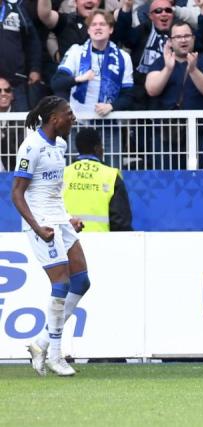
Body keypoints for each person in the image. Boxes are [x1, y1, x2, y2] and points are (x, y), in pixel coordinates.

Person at [12, 96, 89, 377]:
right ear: (54, 118)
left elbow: (53, 190)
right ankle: (55, 356)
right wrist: (36, 227)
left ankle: (41, 343)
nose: (73, 118)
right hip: (41, 223)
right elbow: (17, 193)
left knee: (82, 281)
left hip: (59, 220)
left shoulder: (61, 145)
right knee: (61, 283)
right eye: (69, 114)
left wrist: (68, 218)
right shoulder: (31, 146)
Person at [50, 10, 134, 169]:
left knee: (111, 174)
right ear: (88, 30)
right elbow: (56, 83)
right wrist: (78, 79)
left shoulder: (123, 57)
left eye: (102, 24)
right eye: (94, 24)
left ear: (111, 29)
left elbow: (129, 95)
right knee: (75, 176)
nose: (98, 27)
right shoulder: (76, 52)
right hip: (78, 125)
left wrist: (111, 106)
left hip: (109, 126)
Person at [145, 20, 203, 169]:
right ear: (170, 41)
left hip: (201, 133)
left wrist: (193, 70)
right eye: (178, 37)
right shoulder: (161, 62)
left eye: (187, 36)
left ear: (193, 38)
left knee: (201, 178)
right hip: (167, 135)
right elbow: (151, 89)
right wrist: (168, 68)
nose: (183, 40)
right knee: (166, 178)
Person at [64, 128, 133, 232]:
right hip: (101, 240)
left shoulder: (63, 174)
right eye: (102, 146)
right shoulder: (111, 175)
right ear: (97, 148)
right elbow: (120, 221)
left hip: (68, 238)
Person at [0, 0, 42, 111]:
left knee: (21, 120)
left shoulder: (17, 10)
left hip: (16, 83)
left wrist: (35, 68)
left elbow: (33, 42)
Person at [0, 76, 24, 172]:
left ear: (12, 95)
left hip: (12, 173)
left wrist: (3, 138)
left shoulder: (22, 120)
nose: (3, 94)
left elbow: (23, 154)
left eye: (7, 90)